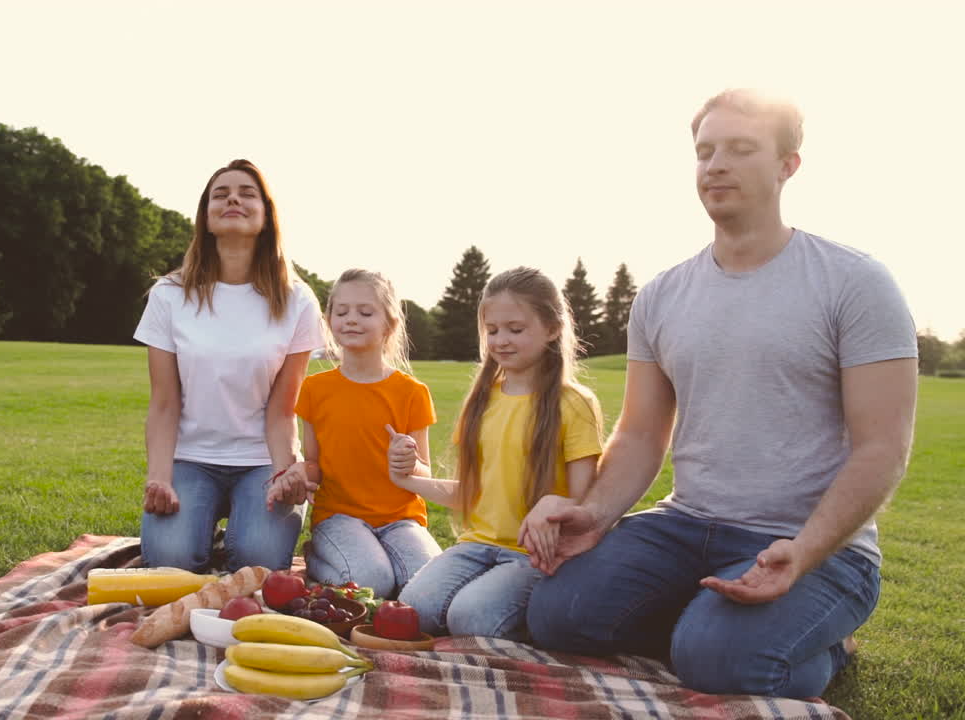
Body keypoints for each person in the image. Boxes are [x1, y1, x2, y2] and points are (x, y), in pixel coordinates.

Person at [525, 89, 919, 699]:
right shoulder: (662, 295)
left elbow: (883, 449)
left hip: (812, 543)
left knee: (716, 661)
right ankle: (706, 620)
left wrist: (805, 550)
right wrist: (595, 515)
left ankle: (824, 642)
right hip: (687, 524)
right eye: (705, 151)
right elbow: (639, 434)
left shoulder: (856, 282)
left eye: (740, 149)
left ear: (788, 165)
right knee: (558, 614)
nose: (716, 165)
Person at [389, 266, 604, 639]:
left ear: (553, 329)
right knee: (413, 612)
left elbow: (585, 502)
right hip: (475, 546)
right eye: (492, 330)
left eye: (515, 329)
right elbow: (471, 492)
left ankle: (540, 613)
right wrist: (406, 477)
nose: (501, 340)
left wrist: (557, 510)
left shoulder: (575, 404)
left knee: (470, 619)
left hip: (533, 557)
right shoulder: (483, 400)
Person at [133, 159, 325, 573]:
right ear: (205, 217)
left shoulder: (297, 299)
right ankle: (198, 524)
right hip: (190, 458)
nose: (233, 198)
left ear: (266, 215)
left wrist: (282, 473)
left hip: (258, 458)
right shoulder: (169, 295)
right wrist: (160, 478)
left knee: (258, 562)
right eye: (220, 194)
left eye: (246, 193)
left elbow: (282, 409)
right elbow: (164, 403)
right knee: (171, 560)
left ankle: (236, 522)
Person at [266, 269, 442, 599]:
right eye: (341, 311)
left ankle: (371, 556)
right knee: (372, 582)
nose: (351, 319)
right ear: (329, 319)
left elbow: (425, 473)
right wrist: (299, 470)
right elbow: (315, 464)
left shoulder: (412, 393)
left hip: (402, 520)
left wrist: (408, 462)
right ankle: (318, 554)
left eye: (365, 312)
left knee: (428, 590)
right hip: (339, 516)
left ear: (389, 323)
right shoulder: (316, 389)